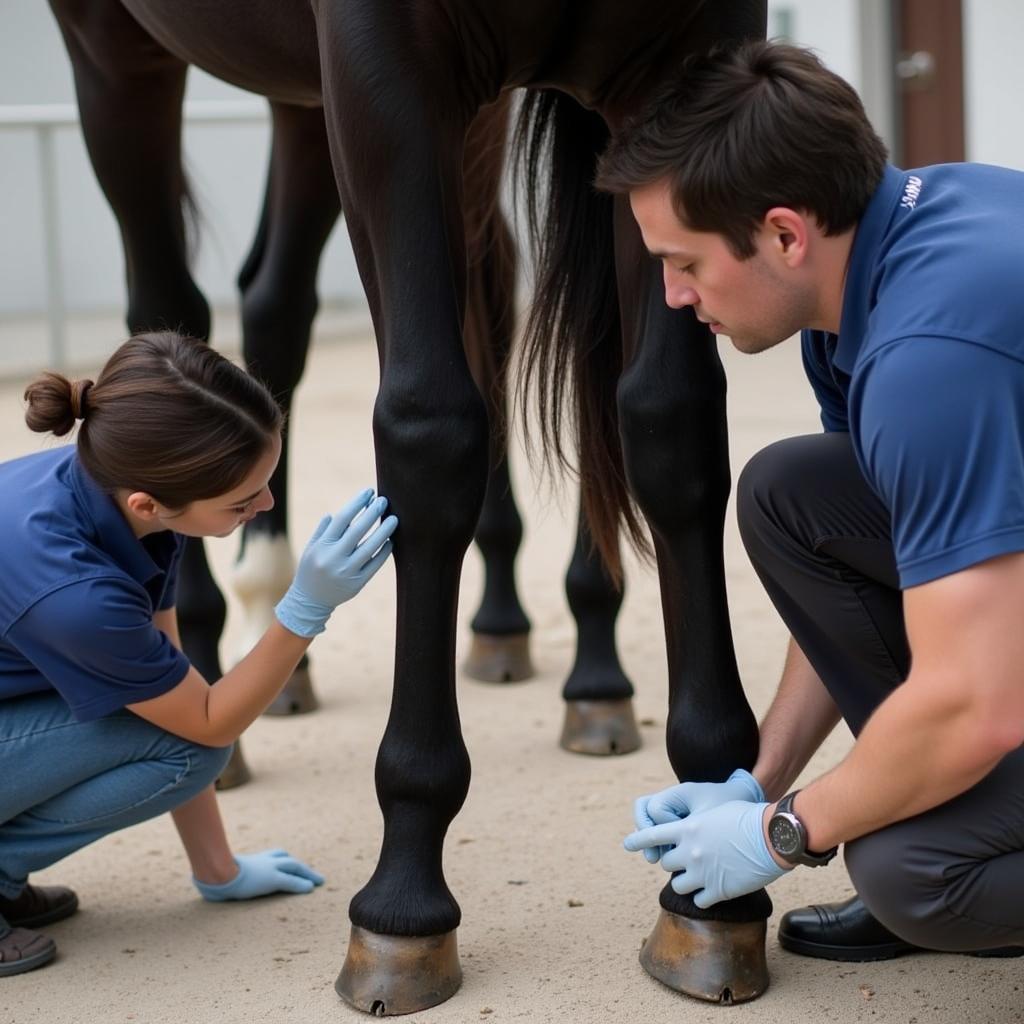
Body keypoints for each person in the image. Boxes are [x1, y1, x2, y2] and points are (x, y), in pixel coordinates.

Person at [596, 41, 1024, 961]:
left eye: (685, 264)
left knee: (914, 872)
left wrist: (786, 832)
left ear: (785, 234)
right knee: (793, 495)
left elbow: (981, 703)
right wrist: (763, 780)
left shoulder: (928, 366)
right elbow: (865, 579)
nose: (672, 297)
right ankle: (931, 792)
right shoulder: (881, 264)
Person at [0, 331, 397, 976]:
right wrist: (305, 608)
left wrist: (219, 871)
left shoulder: (133, 500)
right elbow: (208, 722)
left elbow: (179, 682)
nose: (266, 506)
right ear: (148, 503)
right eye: (243, 503)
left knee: (187, 734)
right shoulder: (78, 593)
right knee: (198, 746)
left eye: (265, 484)